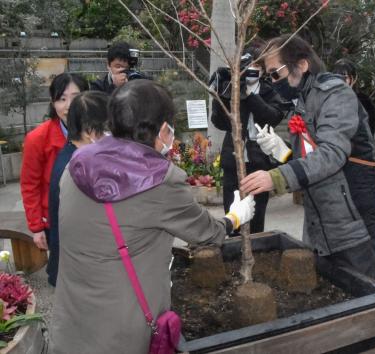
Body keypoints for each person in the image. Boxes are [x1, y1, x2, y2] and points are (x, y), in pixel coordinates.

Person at [49, 80, 255, 353]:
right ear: (163, 129)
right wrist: (235, 217)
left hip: (71, 320)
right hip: (123, 329)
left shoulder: (77, 163)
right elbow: (209, 233)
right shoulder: (161, 180)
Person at [241, 35, 375, 280]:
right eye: (269, 76)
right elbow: (309, 157)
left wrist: (276, 177)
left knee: (361, 290)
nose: (273, 81)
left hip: (352, 217)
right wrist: (281, 151)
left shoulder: (336, 94)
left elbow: (331, 154)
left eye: (276, 73)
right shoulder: (302, 99)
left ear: (302, 64)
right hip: (321, 218)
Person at [211, 45, 285, 234]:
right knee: (233, 212)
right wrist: (220, 94)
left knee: (257, 215)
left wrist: (251, 95)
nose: (252, 69)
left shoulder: (269, 90)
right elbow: (219, 122)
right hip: (233, 162)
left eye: (257, 66)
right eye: (248, 65)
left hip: (258, 162)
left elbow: (273, 117)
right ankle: (235, 252)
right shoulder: (233, 87)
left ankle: (255, 250)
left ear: (262, 69)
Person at [47, 91, 109, 287]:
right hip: (77, 271)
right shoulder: (77, 168)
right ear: (91, 131)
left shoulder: (75, 155)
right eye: (109, 128)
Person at [20, 73, 89, 251]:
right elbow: (30, 185)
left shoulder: (98, 132)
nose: (68, 106)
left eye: (75, 98)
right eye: (61, 99)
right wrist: (36, 227)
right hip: (55, 218)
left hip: (91, 217)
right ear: (52, 102)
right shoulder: (37, 138)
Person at [333, 58, 375, 136]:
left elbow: (369, 130)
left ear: (354, 78)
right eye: (337, 77)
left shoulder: (364, 102)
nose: (340, 81)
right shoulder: (328, 99)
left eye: (345, 77)